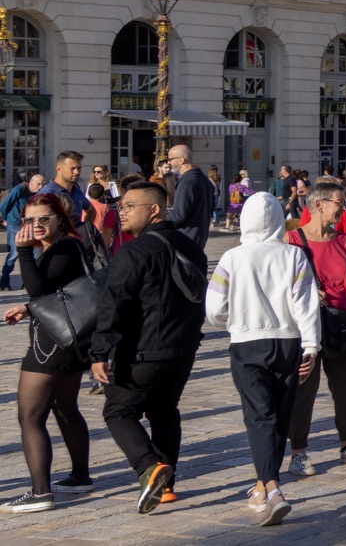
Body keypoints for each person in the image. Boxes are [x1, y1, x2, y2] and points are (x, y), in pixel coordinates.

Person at [88, 180, 207, 514]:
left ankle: (148, 467)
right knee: (164, 411)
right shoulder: (191, 246)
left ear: (153, 209)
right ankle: (166, 487)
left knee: (118, 411)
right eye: (120, 207)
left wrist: (99, 352)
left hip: (144, 350)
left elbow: (114, 304)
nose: (121, 213)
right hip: (182, 348)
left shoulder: (134, 251)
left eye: (129, 207)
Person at [204, 192, 321, 525]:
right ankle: (262, 486)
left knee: (259, 415)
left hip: (247, 342)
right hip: (288, 343)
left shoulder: (232, 258)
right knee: (280, 416)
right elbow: (306, 304)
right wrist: (311, 346)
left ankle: (271, 488)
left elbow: (213, 309)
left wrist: (234, 320)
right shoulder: (294, 255)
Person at [3, 190, 94, 512]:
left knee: (29, 415)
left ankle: (40, 492)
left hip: (52, 346)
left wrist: (23, 252)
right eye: (30, 220)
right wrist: (28, 309)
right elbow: (60, 294)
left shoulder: (65, 246)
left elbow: (40, 290)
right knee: (65, 407)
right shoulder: (63, 246)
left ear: (60, 218)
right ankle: (80, 477)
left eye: (44, 219)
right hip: (68, 341)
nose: (36, 225)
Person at [285, 181, 346, 475]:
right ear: (320, 204)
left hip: (342, 326)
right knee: (304, 391)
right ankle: (298, 452)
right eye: (340, 202)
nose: (345, 207)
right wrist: (307, 292)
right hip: (306, 328)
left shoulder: (344, 241)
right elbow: (280, 286)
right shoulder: (292, 240)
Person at [163, 144, 216, 252]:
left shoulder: (187, 181)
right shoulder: (204, 179)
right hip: (199, 239)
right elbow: (211, 209)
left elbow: (178, 216)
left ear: (181, 160)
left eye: (170, 159)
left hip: (185, 240)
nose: (168, 162)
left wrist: (158, 220)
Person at [1, 171, 45, 289]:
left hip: (30, 224)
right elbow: (4, 205)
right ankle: (4, 281)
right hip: (15, 224)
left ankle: (27, 282)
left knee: (35, 253)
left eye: (43, 184)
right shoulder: (19, 189)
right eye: (38, 184)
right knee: (14, 254)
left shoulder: (39, 194)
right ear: (31, 182)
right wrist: (7, 219)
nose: (40, 187)